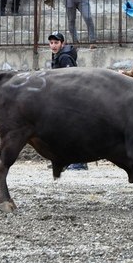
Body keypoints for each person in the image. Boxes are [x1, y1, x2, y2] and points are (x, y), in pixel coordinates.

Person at [47, 31, 86, 171]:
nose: (53, 45)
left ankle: (80, 161)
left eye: (56, 43)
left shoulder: (64, 58)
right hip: (63, 101)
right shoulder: (57, 56)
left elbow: (71, 80)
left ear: (62, 44)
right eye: (51, 43)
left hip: (70, 101)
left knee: (73, 132)